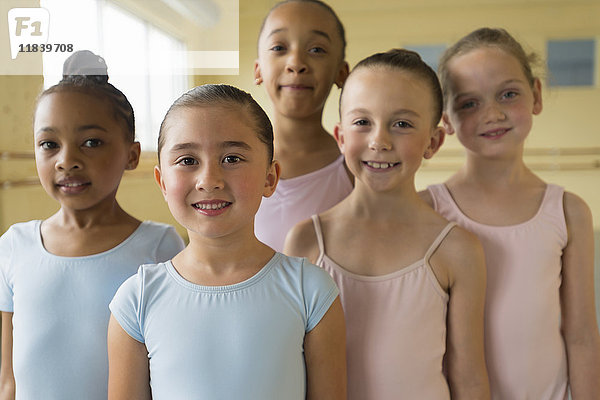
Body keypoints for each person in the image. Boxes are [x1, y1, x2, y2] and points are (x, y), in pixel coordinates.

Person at [107, 84, 346, 400]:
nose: (209, 180)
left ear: (270, 178)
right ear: (162, 181)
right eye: (188, 160)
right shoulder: (136, 301)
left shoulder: (311, 291)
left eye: (232, 158)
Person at [285, 49, 490, 399]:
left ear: (434, 141)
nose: (379, 141)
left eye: (402, 124)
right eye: (362, 122)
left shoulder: (457, 250)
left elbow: (468, 377)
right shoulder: (307, 241)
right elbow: (292, 368)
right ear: (341, 136)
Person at [423, 28, 600, 399]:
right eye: (470, 103)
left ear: (535, 95)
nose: (493, 113)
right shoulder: (429, 210)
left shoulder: (568, 212)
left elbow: (582, 334)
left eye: (508, 94)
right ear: (447, 119)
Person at [0, 50, 184, 400]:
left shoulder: (160, 247)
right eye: (49, 144)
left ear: (131, 155)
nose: (66, 160)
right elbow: (7, 379)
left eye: (92, 142)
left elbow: (173, 369)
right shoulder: (13, 247)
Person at [253, 0, 353, 251]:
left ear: (341, 73)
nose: (296, 63)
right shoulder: (230, 162)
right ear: (258, 70)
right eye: (279, 47)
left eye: (317, 49)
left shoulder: (355, 168)